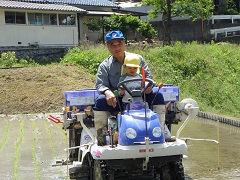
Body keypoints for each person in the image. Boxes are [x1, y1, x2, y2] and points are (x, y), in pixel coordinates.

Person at [93, 30, 166, 145]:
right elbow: (100, 85)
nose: (117, 48)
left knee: (158, 95)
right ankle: (101, 137)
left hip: (142, 97)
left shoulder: (138, 59)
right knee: (101, 101)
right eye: (113, 45)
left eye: (119, 44)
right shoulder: (105, 66)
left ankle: (161, 132)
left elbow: (149, 77)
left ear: (124, 44)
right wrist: (107, 92)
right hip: (119, 100)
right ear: (108, 47)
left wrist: (148, 86)